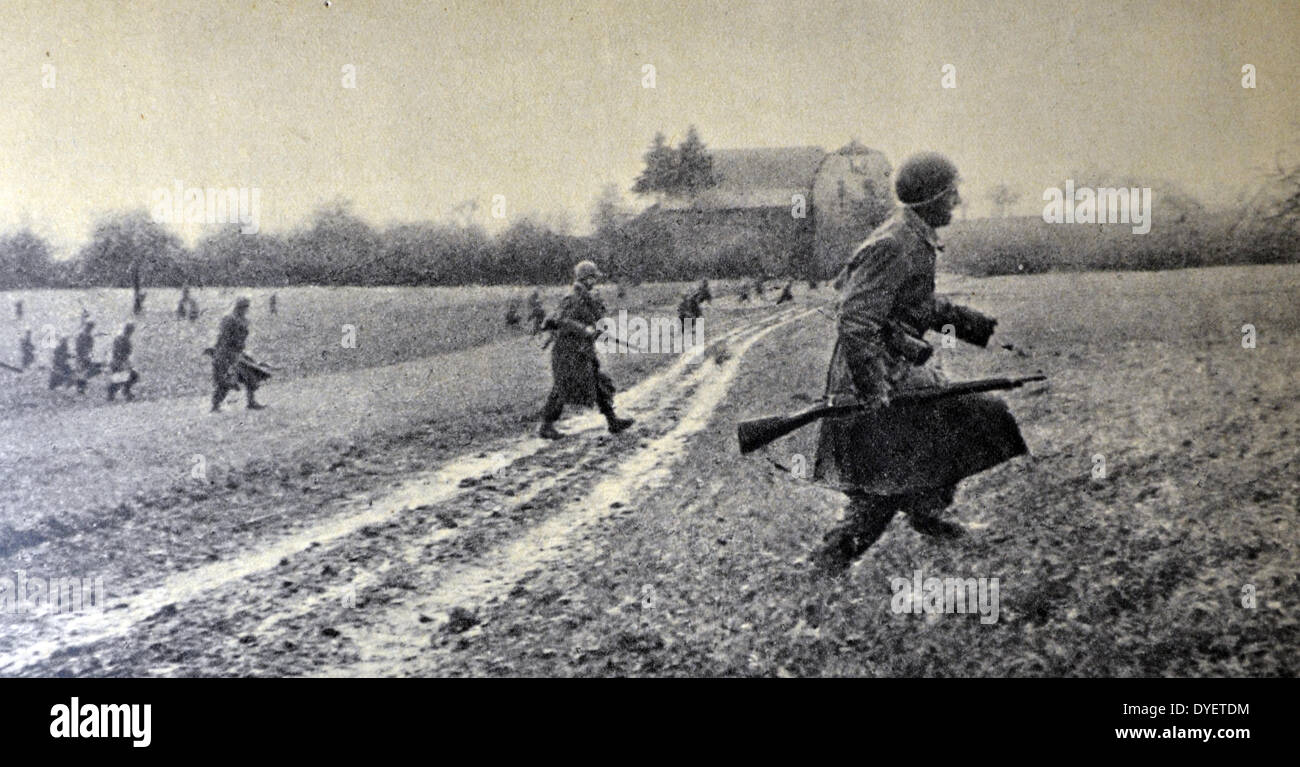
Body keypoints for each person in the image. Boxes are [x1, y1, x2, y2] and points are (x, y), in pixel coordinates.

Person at [809, 152, 1030, 576]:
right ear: (931, 198)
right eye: (951, 194)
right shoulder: (895, 243)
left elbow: (919, 306)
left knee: (969, 422)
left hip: (896, 372)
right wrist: (875, 391)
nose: (957, 200)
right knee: (883, 487)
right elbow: (856, 321)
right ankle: (828, 564)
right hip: (873, 380)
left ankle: (928, 511)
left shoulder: (914, 236)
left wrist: (978, 328)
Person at [537, 261, 634, 440]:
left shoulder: (588, 297)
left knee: (598, 382)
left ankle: (612, 421)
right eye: (593, 277)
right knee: (562, 387)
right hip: (567, 351)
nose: (595, 281)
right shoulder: (572, 298)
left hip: (582, 350)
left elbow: (596, 321)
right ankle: (546, 426)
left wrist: (599, 330)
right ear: (585, 278)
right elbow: (561, 321)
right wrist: (585, 329)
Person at [209, 296, 266, 412]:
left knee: (251, 375)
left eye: (246, 307)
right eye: (244, 307)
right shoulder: (229, 319)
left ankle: (251, 402)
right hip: (226, 354)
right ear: (238, 307)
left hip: (237, 353)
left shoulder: (242, 320)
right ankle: (215, 406)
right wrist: (221, 353)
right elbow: (223, 338)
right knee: (226, 381)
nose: (246, 309)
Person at [106, 322, 139, 402]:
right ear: (130, 331)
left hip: (115, 362)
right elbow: (125, 353)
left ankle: (113, 393)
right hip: (119, 362)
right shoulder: (126, 340)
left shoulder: (118, 338)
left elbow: (115, 351)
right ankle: (124, 392)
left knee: (120, 378)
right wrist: (125, 363)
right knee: (131, 376)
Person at [73, 322, 100, 394]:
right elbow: (86, 347)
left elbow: (89, 347)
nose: (90, 329)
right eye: (90, 327)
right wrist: (86, 354)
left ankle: (81, 388)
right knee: (82, 372)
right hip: (83, 356)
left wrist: (88, 354)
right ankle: (80, 388)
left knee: (82, 372)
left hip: (83, 356)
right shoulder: (86, 336)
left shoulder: (84, 336)